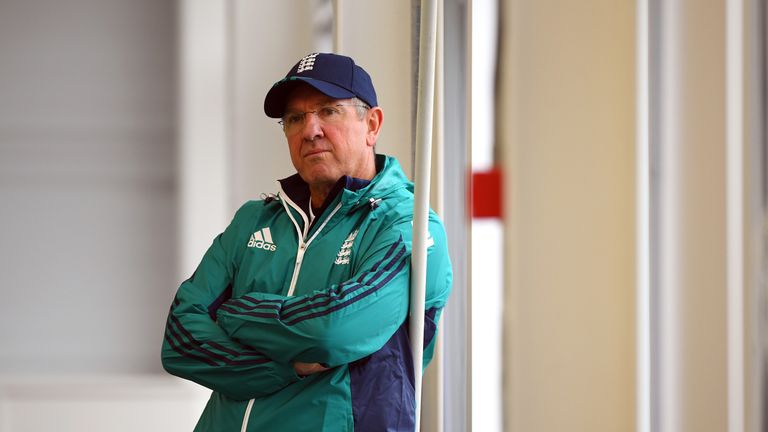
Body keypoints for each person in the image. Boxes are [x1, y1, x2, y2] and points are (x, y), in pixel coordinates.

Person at [161, 52, 452, 432]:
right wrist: (285, 365)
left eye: (328, 111)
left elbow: (335, 331)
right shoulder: (256, 219)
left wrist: (236, 313)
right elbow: (180, 339)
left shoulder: (407, 224)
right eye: (295, 118)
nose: (310, 129)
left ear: (372, 124)